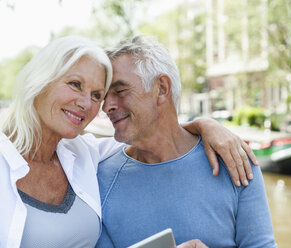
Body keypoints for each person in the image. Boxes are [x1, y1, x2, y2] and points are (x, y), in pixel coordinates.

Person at [0, 36, 257, 248]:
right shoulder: (97, 168)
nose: (89, 104)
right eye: (75, 84)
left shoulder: (85, 156)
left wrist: (205, 125)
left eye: (96, 95)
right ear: (40, 81)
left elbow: (157, 134)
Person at [96, 35, 277, 248]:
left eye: (119, 91)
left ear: (161, 88)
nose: (106, 106)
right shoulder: (101, 178)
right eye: (103, 96)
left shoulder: (235, 161)